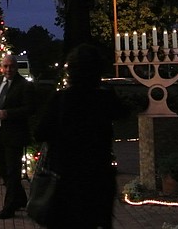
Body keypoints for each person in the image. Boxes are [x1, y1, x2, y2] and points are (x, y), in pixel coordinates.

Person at [35, 44, 129, 229]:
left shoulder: (61, 99)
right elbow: (123, 113)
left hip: (66, 180)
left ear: (71, 70)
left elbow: (39, 132)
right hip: (98, 179)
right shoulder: (105, 98)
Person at [0, 54, 35, 219]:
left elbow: (30, 109)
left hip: (14, 135)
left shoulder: (24, 86)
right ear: (1, 67)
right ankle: (20, 199)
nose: (8, 70)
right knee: (4, 171)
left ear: (16, 68)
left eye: (11, 66)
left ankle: (9, 207)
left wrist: (8, 114)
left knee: (13, 171)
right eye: (5, 66)